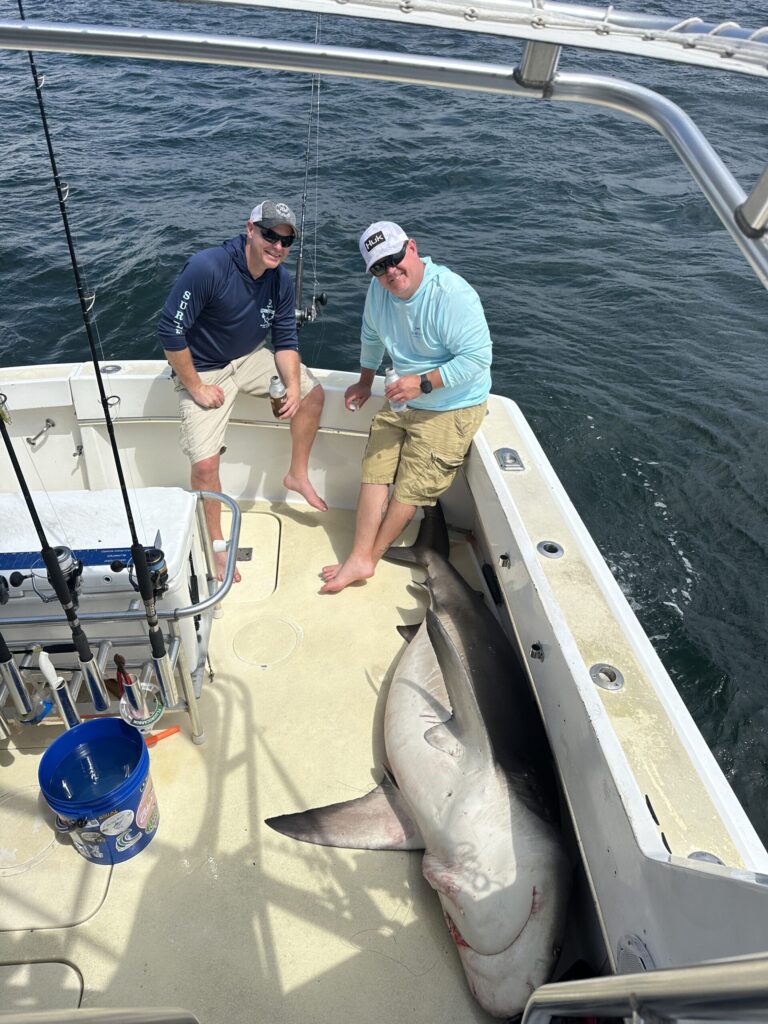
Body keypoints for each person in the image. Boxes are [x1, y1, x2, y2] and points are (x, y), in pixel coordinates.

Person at [320, 220, 492, 594]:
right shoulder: (379, 291)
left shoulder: (451, 294)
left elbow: (478, 359)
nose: (390, 271)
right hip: (403, 396)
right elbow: (370, 335)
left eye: (394, 258)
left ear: (411, 248)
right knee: (375, 467)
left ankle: (369, 558)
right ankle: (359, 555)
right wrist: (365, 381)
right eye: (379, 267)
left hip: (452, 404)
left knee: (411, 488)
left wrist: (423, 383)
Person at [158, 200, 326, 581]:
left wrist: (293, 387)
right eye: (270, 235)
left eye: (286, 241)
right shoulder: (208, 267)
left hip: (249, 357)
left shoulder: (280, 280)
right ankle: (217, 546)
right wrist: (196, 386)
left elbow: (285, 341)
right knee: (205, 465)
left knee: (313, 395)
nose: (278, 247)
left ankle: (297, 475)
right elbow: (170, 330)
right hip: (203, 369)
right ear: (250, 229)